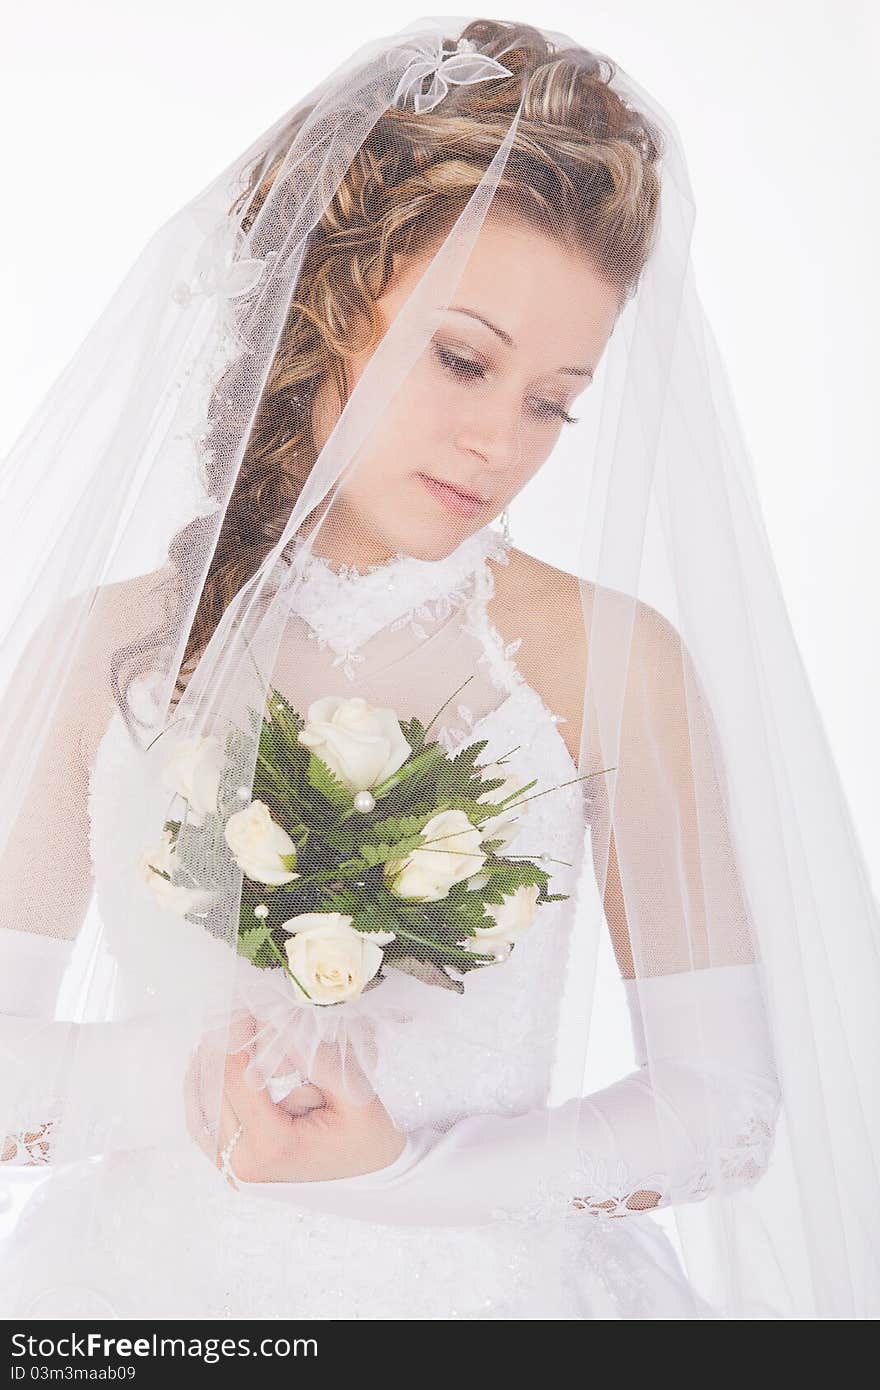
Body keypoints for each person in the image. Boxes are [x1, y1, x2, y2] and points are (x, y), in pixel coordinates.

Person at [0, 16, 877, 1321]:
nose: (498, 444)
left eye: (551, 401)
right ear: (323, 299)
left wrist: (402, 1171)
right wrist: (185, 1084)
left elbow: (721, 1108)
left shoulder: (605, 659)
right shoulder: (112, 645)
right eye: (463, 357)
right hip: (149, 1299)